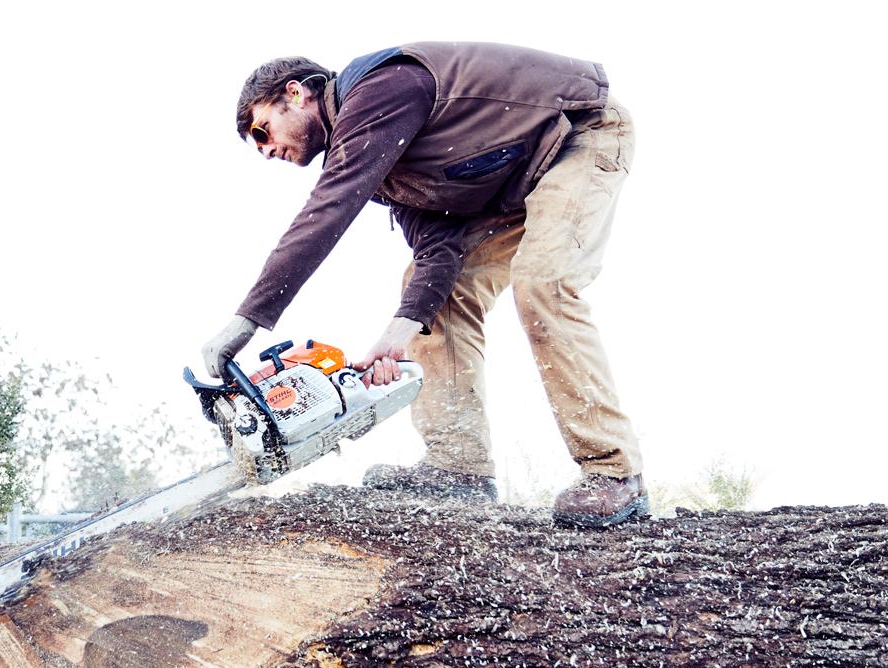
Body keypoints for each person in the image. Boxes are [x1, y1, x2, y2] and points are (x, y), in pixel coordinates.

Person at [203, 42, 647, 526]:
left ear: (297, 93)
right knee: (432, 292)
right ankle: (460, 466)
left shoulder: (381, 88)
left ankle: (614, 472)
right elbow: (439, 253)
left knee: (543, 282)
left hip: (576, 138)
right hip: (512, 189)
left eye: (261, 129)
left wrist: (248, 319)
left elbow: (328, 210)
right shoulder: (384, 164)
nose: (266, 150)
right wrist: (396, 338)